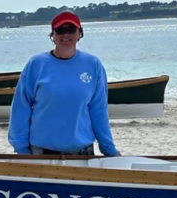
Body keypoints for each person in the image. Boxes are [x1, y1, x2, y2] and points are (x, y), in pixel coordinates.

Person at [8, 10, 121, 157]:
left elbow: (98, 110)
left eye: (71, 29)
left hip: (82, 151)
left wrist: (109, 149)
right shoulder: (36, 64)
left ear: (80, 33)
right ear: (52, 35)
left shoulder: (93, 64)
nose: (66, 34)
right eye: (60, 30)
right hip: (40, 151)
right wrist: (21, 148)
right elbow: (20, 107)